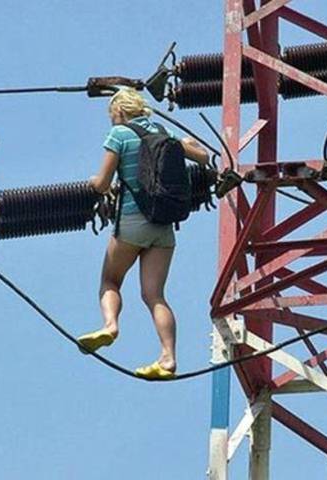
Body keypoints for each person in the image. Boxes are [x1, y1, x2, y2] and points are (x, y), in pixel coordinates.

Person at [77, 88, 209, 380]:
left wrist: (93, 181)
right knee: (155, 295)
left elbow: (102, 184)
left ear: (119, 112)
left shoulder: (120, 135)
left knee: (110, 280)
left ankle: (110, 326)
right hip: (163, 227)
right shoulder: (163, 133)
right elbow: (203, 158)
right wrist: (189, 144)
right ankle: (169, 358)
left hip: (132, 223)